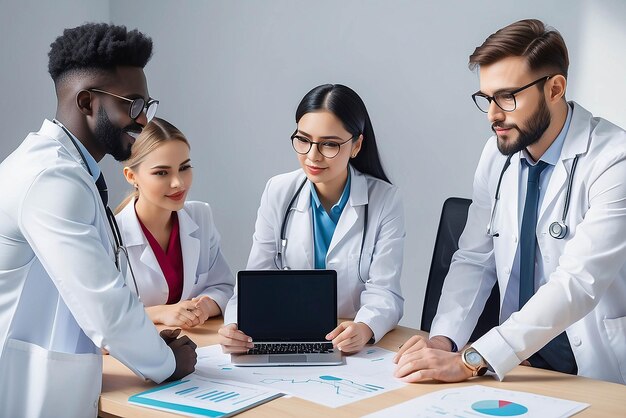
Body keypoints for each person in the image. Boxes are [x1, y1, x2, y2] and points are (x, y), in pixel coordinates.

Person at [394, 19, 626, 385]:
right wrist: (443, 340)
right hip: (518, 367)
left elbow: (578, 284)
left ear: (555, 88)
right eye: (487, 98)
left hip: (593, 369)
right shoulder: (497, 154)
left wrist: (473, 359)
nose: (493, 115)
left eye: (507, 97)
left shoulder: (615, 159)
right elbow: (474, 257)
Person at [0, 23, 197, 417]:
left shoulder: (71, 171)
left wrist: (146, 342)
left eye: (147, 106)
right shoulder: (50, 178)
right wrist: (166, 362)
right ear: (88, 102)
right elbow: (103, 304)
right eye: (133, 104)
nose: (144, 121)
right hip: (24, 389)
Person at [218, 84, 405, 354]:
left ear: (356, 145)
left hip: (348, 345)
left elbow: (386, 291)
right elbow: (254, 282)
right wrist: (235, 326)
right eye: (303, 140)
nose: (312, 156)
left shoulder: (385, 200)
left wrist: (364, 327)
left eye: (329, 144)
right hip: (285, 336)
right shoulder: (278, 191)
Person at [115, 117, 234, 328]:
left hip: (196, 346)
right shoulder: (111, 235)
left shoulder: (200, 216)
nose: (178, 183)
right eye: (162, 172)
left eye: (184, 167)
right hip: (137, 356)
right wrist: (159, 313)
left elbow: (224, 287)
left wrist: (205, 305)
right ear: (131, 176)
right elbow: (105, 319)